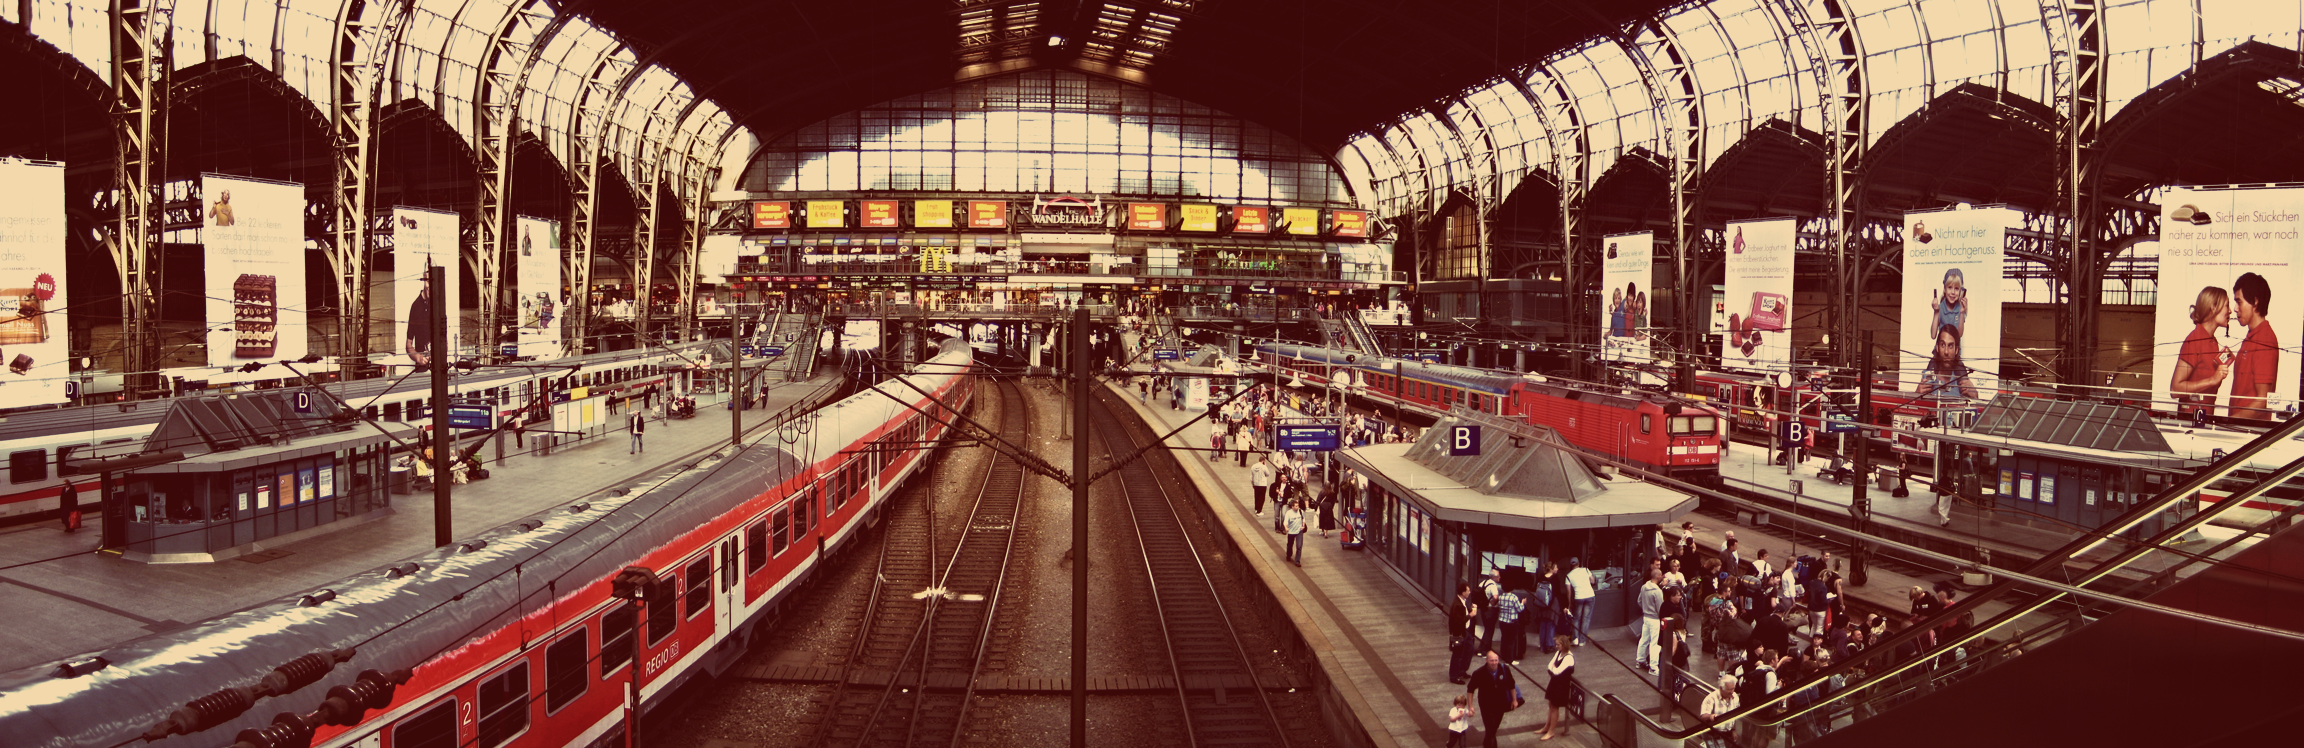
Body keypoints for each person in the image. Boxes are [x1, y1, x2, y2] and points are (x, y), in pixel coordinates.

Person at [2172, 285, 2232, 418]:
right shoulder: (2194, 340)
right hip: (2189, 423)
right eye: (2227, 305)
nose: (2231, 311)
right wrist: (2212, 380)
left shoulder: (2213, 341)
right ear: (2213, 307)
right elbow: (2175, 389)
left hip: (2205, 420)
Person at [2230, 272, 2279, 421]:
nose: (2235, 308)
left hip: (2249, 433)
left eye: (2239, 302)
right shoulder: (2252, 336)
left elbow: (2262, 402)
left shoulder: (2265, 339)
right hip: (2239, 429)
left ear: (2255, 302)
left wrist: (2228, 423)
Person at [1466, 650, 1521, 748]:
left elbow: (1511, 685)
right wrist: (1471, 706)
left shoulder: (1504, 669)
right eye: (1491, 660)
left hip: (1500, 703)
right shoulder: (1479, 673)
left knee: (1493, 727)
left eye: (1496, 660)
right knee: (1490, 727)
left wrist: (1514, 700)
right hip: (1486, 704)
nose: (1494, 663)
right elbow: (1470, 690)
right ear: (1486, 660)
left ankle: (1487, 744)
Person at [1920, 324, 1980, 400]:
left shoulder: (1963, 383)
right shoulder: (1928, 379)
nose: (1946, 351)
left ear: (1956, 350)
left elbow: (1974, 409)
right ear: (1937, 348)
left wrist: (1975, 396)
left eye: (1950, 346)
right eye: (1942, 345)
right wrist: (1917, 394)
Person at [1539, 637, 1575, 741]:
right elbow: (1549, 666)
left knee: (1555, 707)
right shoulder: (1559, 653)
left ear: (1564, 645)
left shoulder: (1569, 657)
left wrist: (1553, 669)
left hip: (1562, 686)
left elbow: (1557, 672)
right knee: (1550, 705)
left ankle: (1551, 731)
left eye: (1558, 644)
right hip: (1555, 683)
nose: (1556, 646)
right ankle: (1546, 727)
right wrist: (1553, 668)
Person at [1448, 584, 1479, 684]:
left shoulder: (1462, 602)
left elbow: (1462, 615)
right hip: (1460, 633)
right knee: (1458, 654)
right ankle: (1454, 676)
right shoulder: (1457, 604)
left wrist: (1470, 610)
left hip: (1467, 631)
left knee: (1469, 650)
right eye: (1468, 590)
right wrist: (1470, 615)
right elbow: (1459, 621)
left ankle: (1462, 671)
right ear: (1463, 592)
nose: (1469, 592)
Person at [1699, 674, 1741, 748]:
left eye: (1733, 688)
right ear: (1721, 688)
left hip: (1727, 734)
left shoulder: (1736, 697)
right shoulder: (1711, 698)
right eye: (1729, 689)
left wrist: (1733, 730)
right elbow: (1703, 716)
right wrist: (1710, 716)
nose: (1732, 691)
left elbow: (1735, 716)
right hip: (1713, 733)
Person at [1635, 568, 1664, 673]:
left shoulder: (1644, 587)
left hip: (1646, 617)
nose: (1662, 577)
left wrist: (1645, 609)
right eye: (1661, 575)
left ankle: (1640, 661)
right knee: (1654, 643)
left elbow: (1639, 601)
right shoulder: (1657, 591)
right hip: (1655, 619)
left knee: (1644, 639)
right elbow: (1660, 608)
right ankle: (1653, 667)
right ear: (1657, 576)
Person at [1565, 557, 1596, 646]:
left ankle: (1575, 639)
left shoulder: (1568, 575)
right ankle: (1582, 641)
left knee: (1576, 618)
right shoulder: (1586, 570)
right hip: (1590, 596)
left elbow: (1568, 591)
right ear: (1578, 563)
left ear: (1571, 566)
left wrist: (1569, 603)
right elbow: (1593, 581)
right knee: (1586, 619)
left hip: (1578, 597)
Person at [1497, 580, 1528, 664]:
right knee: (1511, 640)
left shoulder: (1501, 596)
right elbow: (1520, 609)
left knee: (1504, 638)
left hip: (1502, 620)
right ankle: (1510, 659)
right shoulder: (1513, 597)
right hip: (1511, 621)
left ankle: (1503, 655)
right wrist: (1523, 603)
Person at [1532, 561, 1559, 655]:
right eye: (1556, 567)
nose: (1557, 569)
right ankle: (1549, 645)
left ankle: (1542, 646)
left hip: (1541, 604)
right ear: (1551, 569)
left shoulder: (1541, 577)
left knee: (1543, 624)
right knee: (1551, 624)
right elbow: (1557, 593)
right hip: (1552, 604)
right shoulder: (1555, 578)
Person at [1282, 498, 1307, 566]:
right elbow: (1285, 522)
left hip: (1299, 531)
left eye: (1298, 505)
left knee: (1299, 546)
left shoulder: (1301, 511)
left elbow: (1303, 519)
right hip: (1291, 532)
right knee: (1290, 545)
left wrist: (1303, 526)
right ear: (1292, 507)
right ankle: (1288, 555)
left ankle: (1297, 561)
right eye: (1296, 506)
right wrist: (1286, 528)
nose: (1297, 507)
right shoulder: (1289, 513)